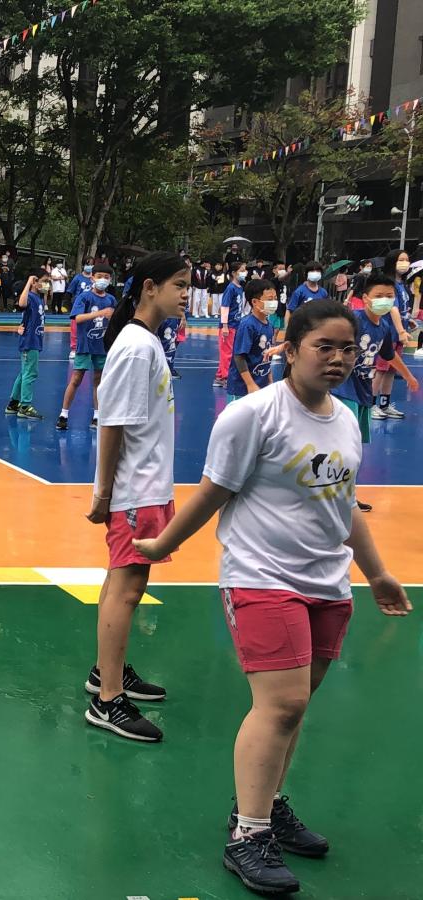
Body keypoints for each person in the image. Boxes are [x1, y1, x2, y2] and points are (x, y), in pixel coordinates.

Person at [133, 299, 411, 896]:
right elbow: (213, 493)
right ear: (291, 348)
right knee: (281, 704)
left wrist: (378, 573)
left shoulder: (346, 418)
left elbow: (344, 504)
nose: (337, 359)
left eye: (347, 348)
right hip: (261, 576)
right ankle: (248, 834)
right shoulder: (252, 415)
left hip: (328, 582)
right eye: (323, 347)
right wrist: (162, 544)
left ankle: (265, 804)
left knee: (295, 707)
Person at [81, 252, 187, 744]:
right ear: (149, 287)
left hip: (146, 484)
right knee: (127, 587)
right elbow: (112, 423)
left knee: (122, 582)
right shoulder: (136, 346)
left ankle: (108, 671)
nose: (186, 294)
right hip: (133, 490)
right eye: (178, 284)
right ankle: (108, 702)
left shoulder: (146, 342)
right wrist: (104, 492)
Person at [334, 278, 418, 514]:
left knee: (355, 447)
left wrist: (408, 376)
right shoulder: (353, 320)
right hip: (342, 389)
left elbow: (389, 355)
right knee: (343, 444)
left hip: (363, 391)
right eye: (379, 295)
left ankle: (349, 495)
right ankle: (333, 495)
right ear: (366, 298)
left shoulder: (384, 327)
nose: (385, 300)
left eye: (389, 296)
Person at [56, 264, 115, 430]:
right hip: (85, 345)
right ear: (92, 278)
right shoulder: (84, 297)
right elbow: (77, 318)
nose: (103, 280)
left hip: (102, 346)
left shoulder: (111, 300)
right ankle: (63, 414)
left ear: (110, 280)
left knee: (98, 381)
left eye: (106, 277)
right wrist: (100, 313)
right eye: (99, 276)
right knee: (76, 379)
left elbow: (115, 320)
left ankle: (97, 416)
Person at [371, 249, 413, 418]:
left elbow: (401, 308)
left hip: (398, 335)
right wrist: (401, 330)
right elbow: (392, 308)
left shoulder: (402, 285)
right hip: (388, 334)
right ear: (392, 262)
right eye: (401, 260)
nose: (405, 263)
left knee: (391, 370)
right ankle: (371, 405)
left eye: (407, 260)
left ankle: (384, 404)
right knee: (381, 369)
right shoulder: (389, 284)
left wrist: (407, 321)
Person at [227, 279, 281, 401]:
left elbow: (267, 357)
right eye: (269, 299)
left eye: (275, 299)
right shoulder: (247, 325)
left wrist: (270, 380)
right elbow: (239, 357)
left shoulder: (269, 325)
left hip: (260, 386)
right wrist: (250, 384)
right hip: (242, 389)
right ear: (255, 302)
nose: (274, 303)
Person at [6, 273, 46, 419]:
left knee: (24, 373)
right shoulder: (30, 296)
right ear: (35, 282)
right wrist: (29, 282)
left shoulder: (39, 298)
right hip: (30, 341)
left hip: (35, 339)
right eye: (44, 281)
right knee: (30, 373)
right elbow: (22, 304)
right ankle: (25, 406)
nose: (47, 284)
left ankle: (13, 403)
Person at [213, 261, 247, 385]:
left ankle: (219, 376)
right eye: (242, 270)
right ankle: (225, 377)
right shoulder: (230, 288)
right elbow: (225, 307)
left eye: (245, 270)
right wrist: (225, 326)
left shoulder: (240, 288)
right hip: (229, 325)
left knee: (231, 352)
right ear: (233, 273)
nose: (244, 273)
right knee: (226, 353)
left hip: (236, 324)